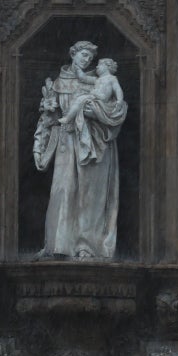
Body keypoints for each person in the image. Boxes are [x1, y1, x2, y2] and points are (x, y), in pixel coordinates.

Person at [33, 39, 128, 260]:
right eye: (83, 55)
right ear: (73, 54)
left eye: (90, 57)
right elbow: (48, 118)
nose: (87, 60)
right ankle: (58, 244)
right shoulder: (58, 83)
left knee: (91, 195)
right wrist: (39, 146)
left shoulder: (100, 81)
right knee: (63, 191)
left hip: (96, 143)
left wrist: (94, 113)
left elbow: (116, 109)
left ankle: (87, 245)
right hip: (67, 142)